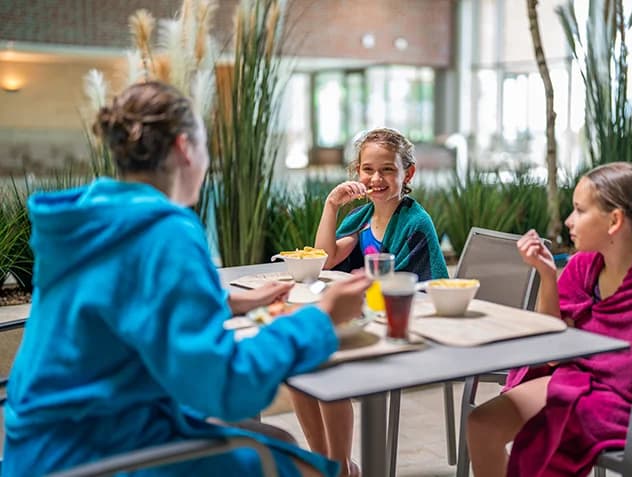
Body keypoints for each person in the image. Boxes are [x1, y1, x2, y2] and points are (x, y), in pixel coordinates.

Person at [2, 81, 372, 477]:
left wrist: (225, 302)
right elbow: (226, 389)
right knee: (316, 469)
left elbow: (115, 303)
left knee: (277, 439)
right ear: (184, 148)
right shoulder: (165, 229)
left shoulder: (87, 219)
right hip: (99, 453)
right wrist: (323, 317)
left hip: (37, 446)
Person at [466, 162, 632, 477]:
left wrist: (575, 351)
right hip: (577, 380)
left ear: (614, 221)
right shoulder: (583, 264)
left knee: (546, 441)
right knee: (482, 424)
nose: (568, 220)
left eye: (579, 210)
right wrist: (547, 276)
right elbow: (552, 347)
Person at [290, 127, 449, 476]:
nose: (376, 179)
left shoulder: (415, 223)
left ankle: (341, 468)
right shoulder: (362, 219)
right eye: (368, 169)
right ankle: (327, 465)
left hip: (408, 327)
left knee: (327, 368)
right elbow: (325, 259)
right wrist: (332, 204)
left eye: (387, 170)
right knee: (299, 365)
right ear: (357, 172)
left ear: (408, 173)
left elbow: (410, 289)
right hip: (370, 319)